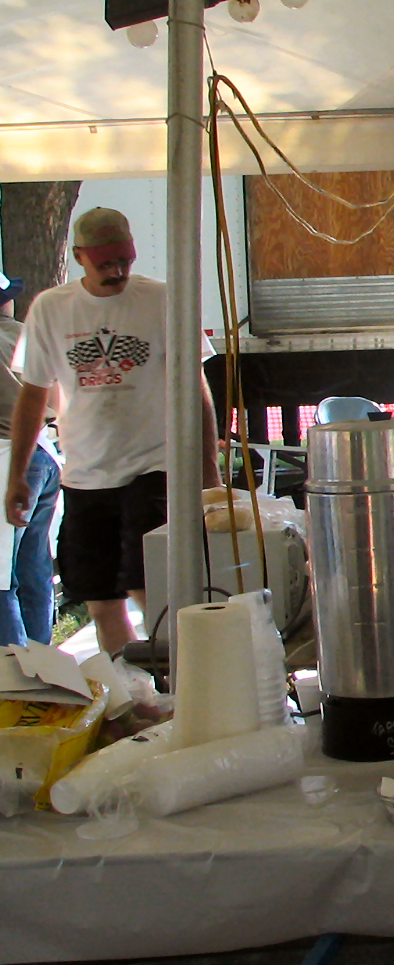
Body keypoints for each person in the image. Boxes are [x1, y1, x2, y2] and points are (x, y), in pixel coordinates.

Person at [6, 207, 221, 656]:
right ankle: (130, 686)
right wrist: (18, 474)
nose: (118, 272)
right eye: (106, 263)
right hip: (86, 474)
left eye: (125, 260)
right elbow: (33, 395)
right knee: (102, 601)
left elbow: (194, 386)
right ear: (80, 256)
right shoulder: (51, 308)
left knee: (151, 590)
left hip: (154, 465)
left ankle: (177, 679)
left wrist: (208, 470)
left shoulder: (161, 299)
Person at [0, 273, 60, 646]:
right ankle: (41, 658)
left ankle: (13, 666)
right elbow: (56, 400)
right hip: (44, 451)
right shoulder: (24, 335)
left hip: (7, 454)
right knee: (34, 566)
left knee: (1, 578)